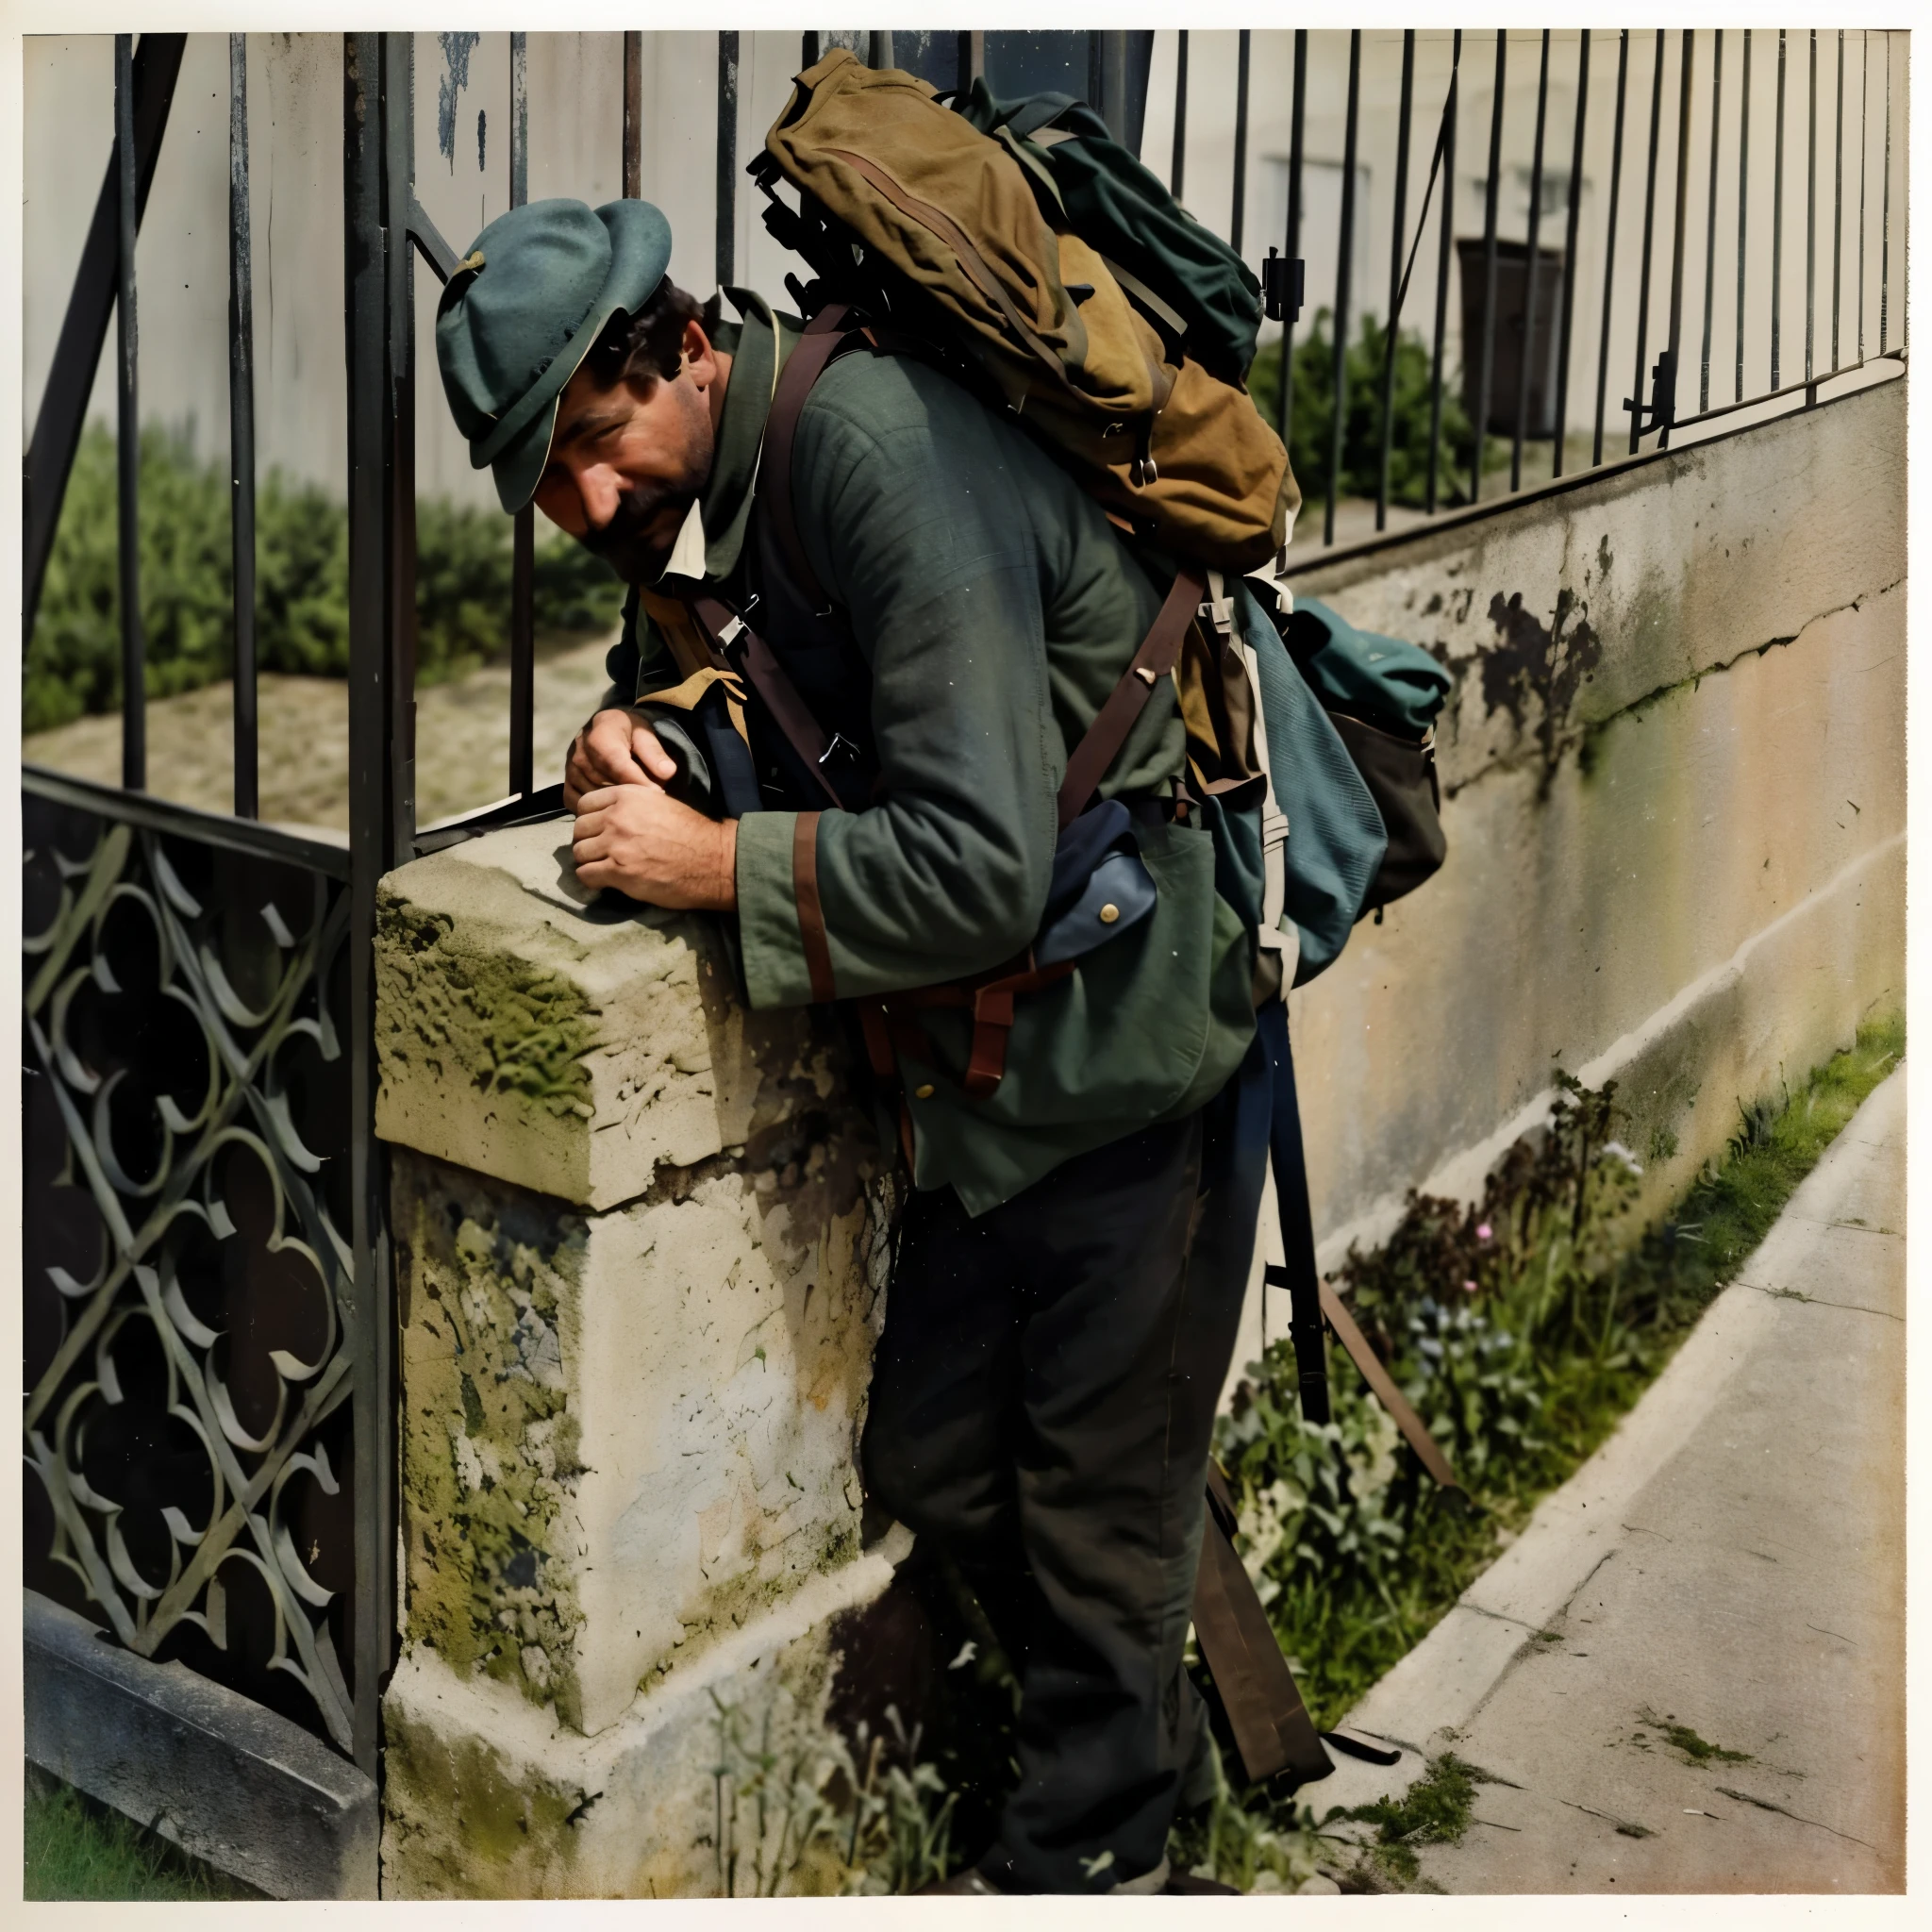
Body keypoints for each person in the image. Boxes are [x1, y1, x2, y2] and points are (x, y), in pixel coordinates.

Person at [434, 194, 1275, 1896]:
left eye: (597, 441)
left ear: (684, 347)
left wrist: (711, 861)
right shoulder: (714, 490)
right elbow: (802, 709)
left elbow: (975, 861)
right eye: (546, 475)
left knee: (1093, 1515)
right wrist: (657, 735)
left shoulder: (867, 455)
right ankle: (1130, 1758)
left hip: (1125, 1052)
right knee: (942, 1458)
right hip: (985, 1080)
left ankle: (1092, 1858)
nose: (585, 500)